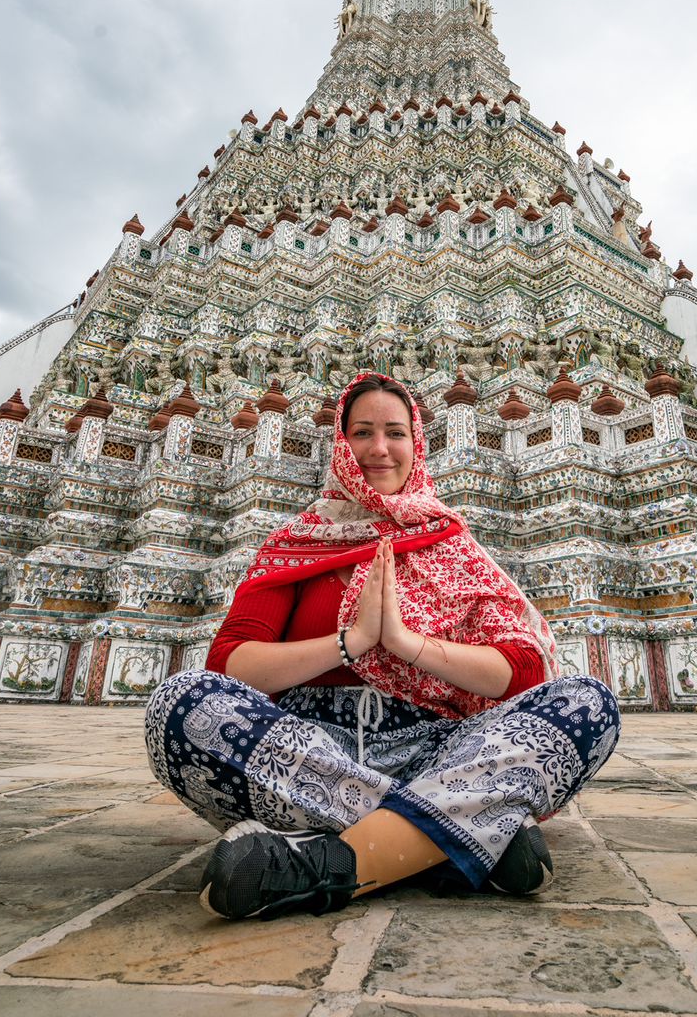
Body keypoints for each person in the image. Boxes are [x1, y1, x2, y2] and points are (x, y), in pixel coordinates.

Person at [144, 371, 620, 922]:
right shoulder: (299, 541)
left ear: (416, 445)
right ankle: (453, 836)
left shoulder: (449, 540)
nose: (379, 449)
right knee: (180, 704)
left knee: (586, 703)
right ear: (341, 445)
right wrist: (353, 643)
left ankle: (330, 862)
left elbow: (518, 670)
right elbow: (232, 663)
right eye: (362, 432)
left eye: (395, 433)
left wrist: (406, 644)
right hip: (309, 753)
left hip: (436, 749)